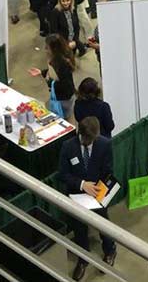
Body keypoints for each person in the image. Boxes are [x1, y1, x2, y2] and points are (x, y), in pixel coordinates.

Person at [58, 117, 115, 279]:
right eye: (87, 139)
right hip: (76, 195)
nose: (89, 143)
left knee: (103, 225)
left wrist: (99, 190)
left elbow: (108, 171)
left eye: (93, 140)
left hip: (97, 194)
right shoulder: (68, 147)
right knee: (79, 229)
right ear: (79, 133)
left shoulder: (104, 144)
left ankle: (110, 250)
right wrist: (83, 184)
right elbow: (63, 175)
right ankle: (83, 258)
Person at [29, 34, 78, 119]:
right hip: (63, 95)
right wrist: (42, 72)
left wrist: (50, 82)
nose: (45, 49)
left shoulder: (62, 64)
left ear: (54, 49)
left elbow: (65, 84)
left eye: (47, 47)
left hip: (64, 98)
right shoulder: (57, 59)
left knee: (64, 118)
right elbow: (53, 73)